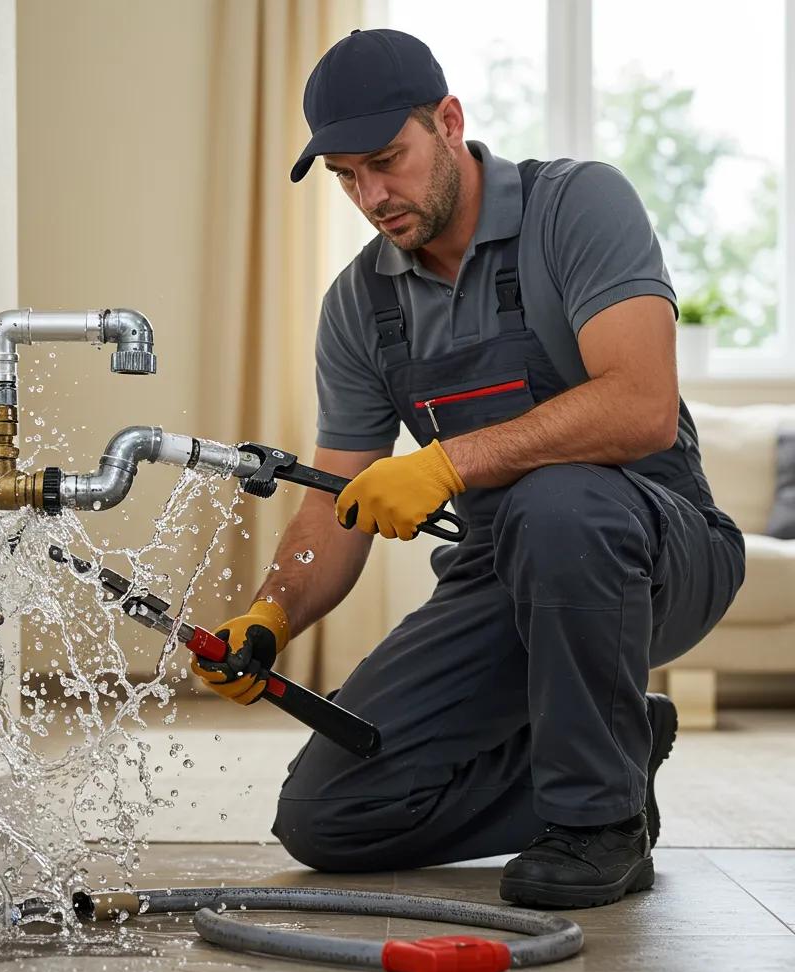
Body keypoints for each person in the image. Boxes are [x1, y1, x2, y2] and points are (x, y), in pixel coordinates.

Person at [191, 28, 746, 909]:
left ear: (449, 122)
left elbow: (640, 403)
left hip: (656, 552)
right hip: (500, 576)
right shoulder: (360, 305)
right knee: (329, 816)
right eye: (345, 176)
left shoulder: (576, 207)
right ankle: (614, 753)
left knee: (560, 505)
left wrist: (448, 462)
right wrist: (272, 614)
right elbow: (334, 503)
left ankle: (598, 826)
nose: (372, 196)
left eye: (387, 161)